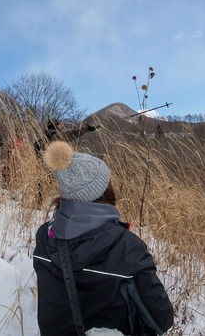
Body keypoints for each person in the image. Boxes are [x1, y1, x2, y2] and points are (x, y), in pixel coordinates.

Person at [33, 141, 174, 336]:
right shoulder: (128, 247)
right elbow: (162, 320)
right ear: (102, 191)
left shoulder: (44, 237)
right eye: (108, 182)